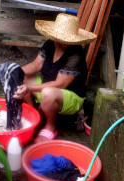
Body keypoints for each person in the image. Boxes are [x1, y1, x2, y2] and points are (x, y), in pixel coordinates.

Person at [13, 13, 96, 143]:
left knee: (48, 92)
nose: (62, 41)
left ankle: (50, 127)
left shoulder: (75, 55)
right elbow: (36, 65)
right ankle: (34, 117)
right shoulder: (50, 44)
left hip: (70, 96)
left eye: (67, 39)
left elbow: (60, 84)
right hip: (48, 87)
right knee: (20, 76)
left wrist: (29, 88)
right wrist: (14, 71)